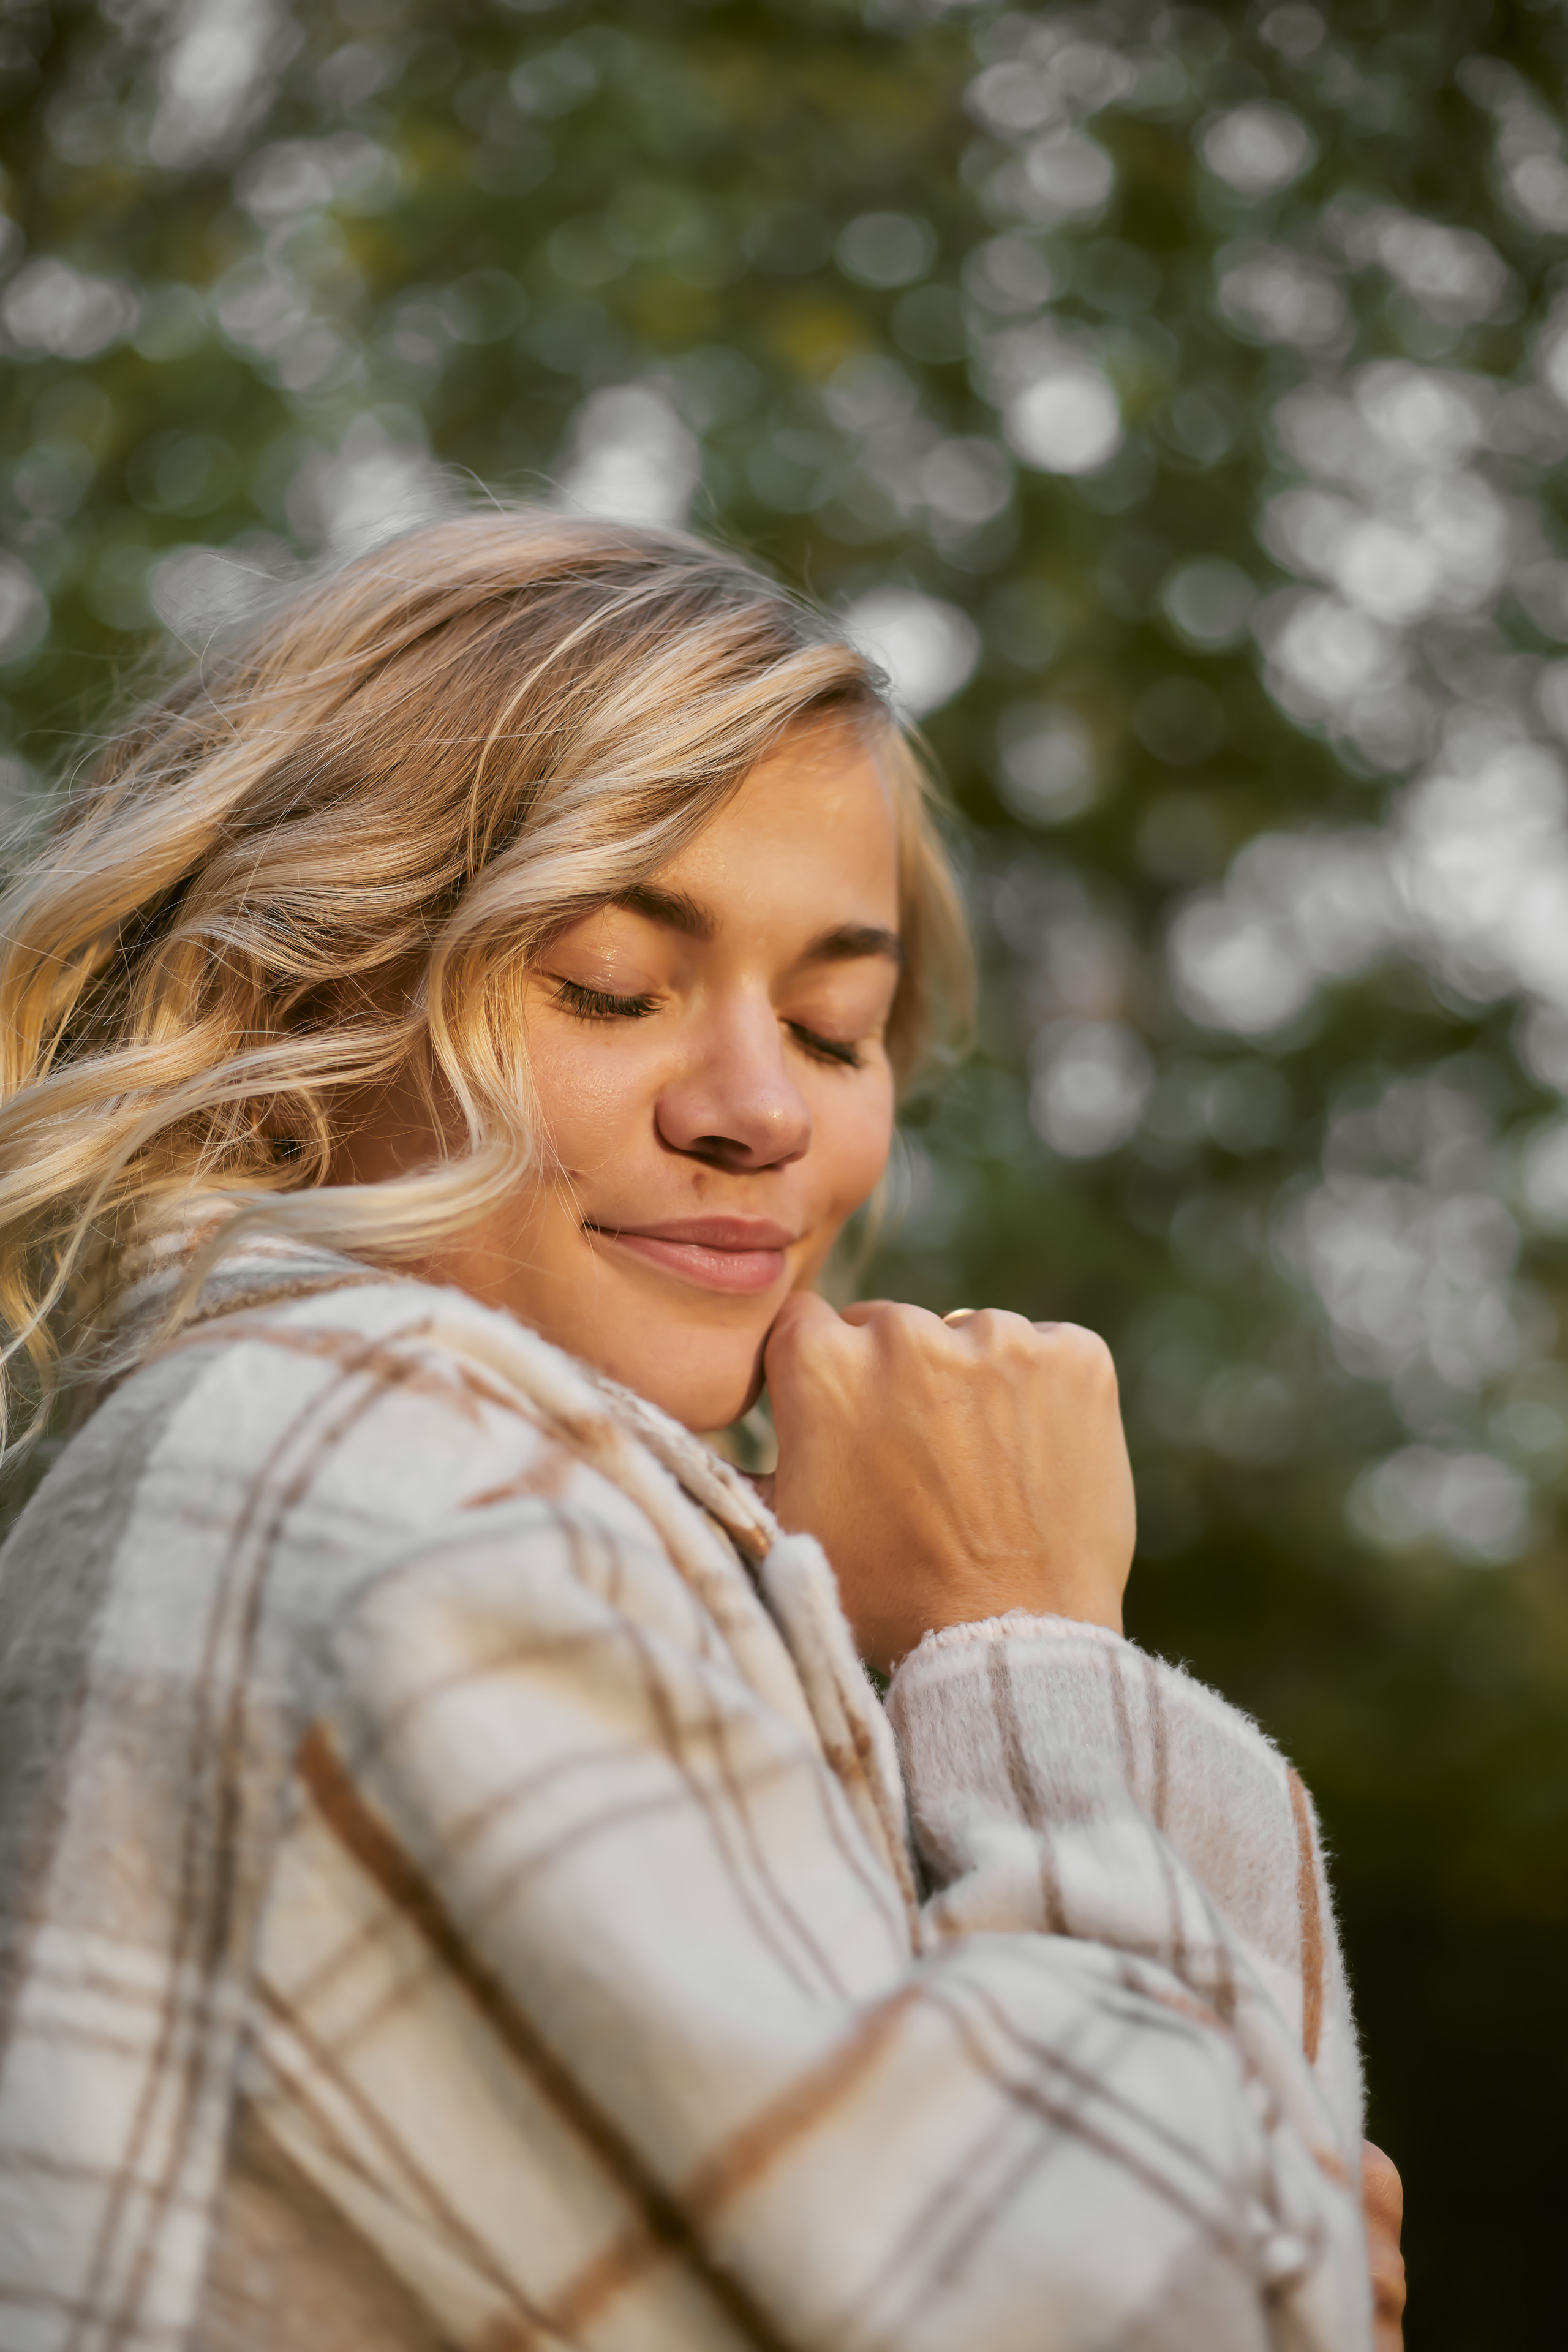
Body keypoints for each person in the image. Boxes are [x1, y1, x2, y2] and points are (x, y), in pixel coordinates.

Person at [0, 512, 1403, 2351]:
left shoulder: (523, 1515)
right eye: (604, 983)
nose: (760, 1112)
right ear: (290, 994)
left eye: (836, 1025)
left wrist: (1236, 2206)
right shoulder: (379, 1446)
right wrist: (1024, 1637)